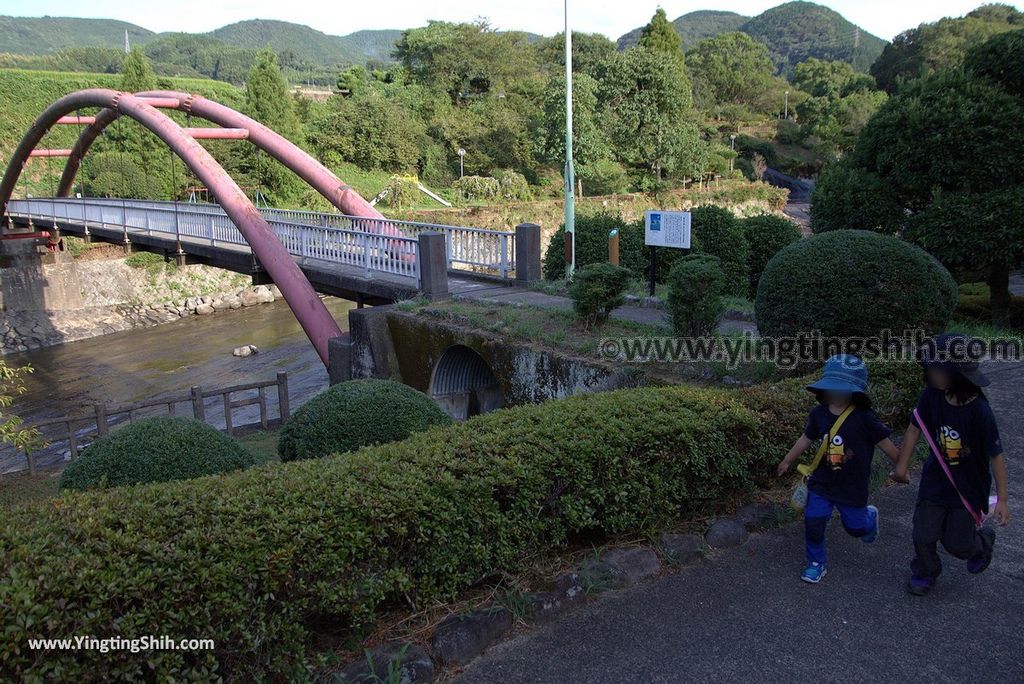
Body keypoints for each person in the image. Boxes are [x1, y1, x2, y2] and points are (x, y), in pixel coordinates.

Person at [892, 333, 1011, 596]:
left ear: (957, 373)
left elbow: (996, 455)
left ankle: (981, 544)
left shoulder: (980, 411)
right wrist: (901, 467)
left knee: (957, 544)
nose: (932, 374)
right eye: (930, 368)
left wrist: (1002, 499)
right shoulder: (931, 396)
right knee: (923, 535)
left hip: (968, 487)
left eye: (938, 369)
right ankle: (925, 572)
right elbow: (914, 429)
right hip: (935, 481)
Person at [778, 354, 900, 583]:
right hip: (822, 482)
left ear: (855, 391)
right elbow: (806, 438)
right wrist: (787, 460)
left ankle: (869, 518)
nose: (836, 393)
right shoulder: (819, 414)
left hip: (852, 485)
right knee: (813, 521)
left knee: (855, 528)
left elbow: (885, 444)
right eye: (833, 387)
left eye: (842, 388)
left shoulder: (865, 418)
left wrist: (901, 468)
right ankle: (816, 562)